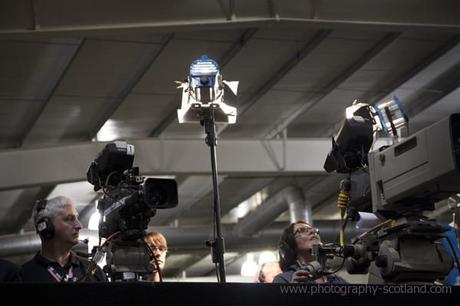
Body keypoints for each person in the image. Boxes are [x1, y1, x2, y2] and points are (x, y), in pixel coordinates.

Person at [15, 196, 106, 282]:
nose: (79, 226)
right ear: (45, 227)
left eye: (76, 219)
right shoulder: (23, 276)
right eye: (69, 219)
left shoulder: (93, 271)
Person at [273, 221, 347, 284]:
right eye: (301, 230)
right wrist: (294, 292)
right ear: (290, 245)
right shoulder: (283, 280)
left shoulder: (338, 281)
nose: (313, 231)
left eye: (315, 230)